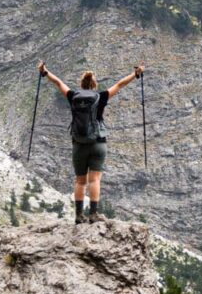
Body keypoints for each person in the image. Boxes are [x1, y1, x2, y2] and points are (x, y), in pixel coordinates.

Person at [38, 62, 144, 222]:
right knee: (94, 179)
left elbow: (58, 82)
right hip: (98, 143)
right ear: (94, 84)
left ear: (81, 84)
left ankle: (79, 216)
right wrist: (135, 74)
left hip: (79, 144)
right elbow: (120, 84)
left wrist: (45, 72)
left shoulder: (73, 95)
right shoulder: (101, 97)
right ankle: (93, 214)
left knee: (80, 181)